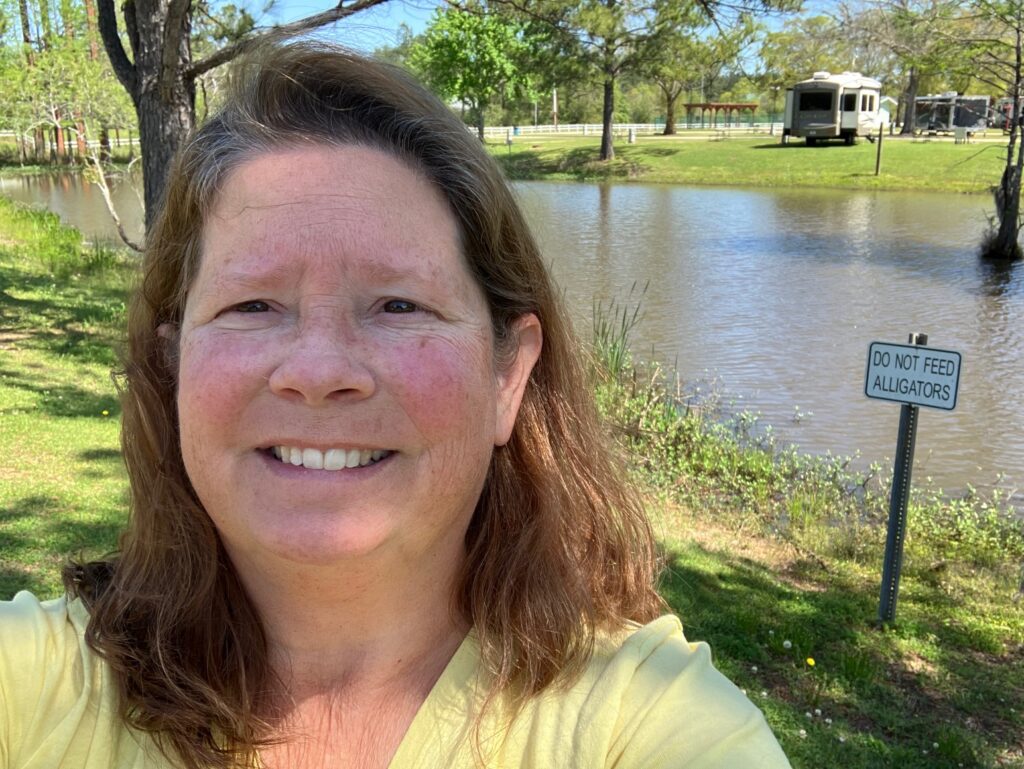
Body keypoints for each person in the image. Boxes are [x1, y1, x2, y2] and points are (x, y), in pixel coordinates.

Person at [0, 42, 791, 769]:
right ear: (174, 367)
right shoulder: (35, 682)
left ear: (507, 377)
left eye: (399, 305)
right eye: (251, 305)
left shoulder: (644, 723)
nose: (317, 372)